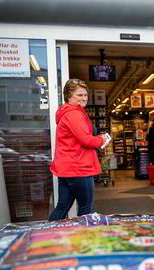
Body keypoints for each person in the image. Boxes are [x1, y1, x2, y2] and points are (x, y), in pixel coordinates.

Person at [49, 79, 108, 221]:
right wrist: (102, 139)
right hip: (79, 168)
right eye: (79, 95)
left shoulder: (66, 113)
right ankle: (84, 240)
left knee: (62, 207)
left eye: (85, 95)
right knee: (85, 208)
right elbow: (86, 140)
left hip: (67, 169)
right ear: (69, 96)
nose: (83, 98)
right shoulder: (74, 114)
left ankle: (47, 235)